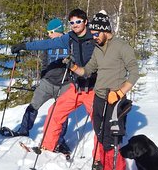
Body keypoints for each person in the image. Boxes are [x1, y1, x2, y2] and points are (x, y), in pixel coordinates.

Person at [68, 10, 139, 170]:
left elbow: (134, 73)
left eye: (96, 33)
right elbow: (88, 70)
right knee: (101, 137)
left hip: (115, 99)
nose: (94, 36)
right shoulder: (97, 49)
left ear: (106, 31)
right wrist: (74, 67)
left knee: (112, 141)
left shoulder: (122, 47)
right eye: (92, 33)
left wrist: (119, 92)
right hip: (99, 99)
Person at [11, 8, 98, 158]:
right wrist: (24, 46)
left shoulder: (95, 38)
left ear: (85, 22)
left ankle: (100, 160)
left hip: (93, 87)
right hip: (75, 86)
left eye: (78, 21)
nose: (75, 24)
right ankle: (48, 147)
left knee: (99, 124)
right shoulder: (70, 38)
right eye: (72, 22)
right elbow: (44, 44)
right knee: (55, 112)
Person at [0, 18, 72, 156]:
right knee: (33, 105)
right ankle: (23, 130)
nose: (49, 34)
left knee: (61, 113)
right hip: (47, 83)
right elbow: (44, 62)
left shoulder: (69, 43)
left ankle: (60, 141)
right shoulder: (48, 45)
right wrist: (44, 76)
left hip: (65, 83)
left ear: (58, 31)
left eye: (50, 32)